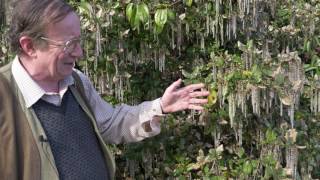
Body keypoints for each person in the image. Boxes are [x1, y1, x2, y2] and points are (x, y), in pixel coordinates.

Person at [0, 0, 209, 179]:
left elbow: (110, 123)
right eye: (69, 44)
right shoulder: (4, 95)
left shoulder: (76, 82)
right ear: (29, 46)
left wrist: (160, 106)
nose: (79, 53)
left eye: (79, 42)